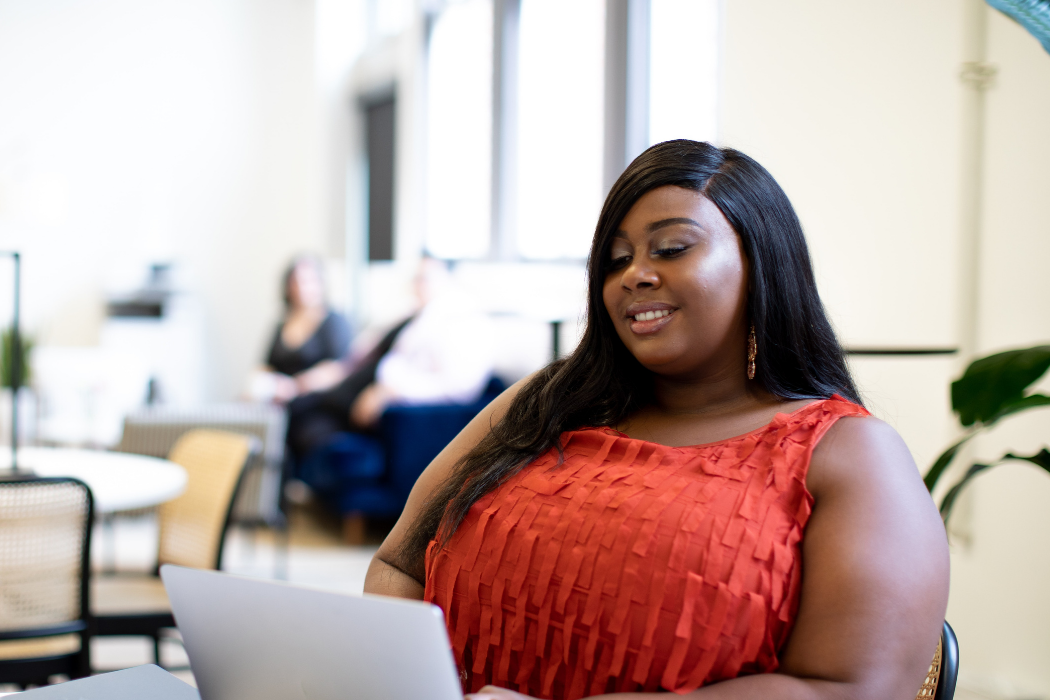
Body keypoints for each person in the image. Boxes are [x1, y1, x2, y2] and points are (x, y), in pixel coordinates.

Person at [364, 141, 949, 700]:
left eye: (671, 249)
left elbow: (852, 690)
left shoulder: (846, 452)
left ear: (762, 260)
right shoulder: (546, 403)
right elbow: (398, 562)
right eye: (617, 259)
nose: (634, 275)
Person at [249, 255, 352, 459]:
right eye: (296, 281)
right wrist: (257, 387)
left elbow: (338, 369)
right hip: (278, 407)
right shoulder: (281, 325)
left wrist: (294, 386)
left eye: (308, 281)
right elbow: (266, 365)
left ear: (321, 284)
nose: (302, 287)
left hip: (316, 408)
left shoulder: (333, 321)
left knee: (306, 437)